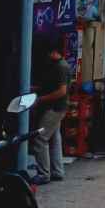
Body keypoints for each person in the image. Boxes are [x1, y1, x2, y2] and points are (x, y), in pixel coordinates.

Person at [31, 36, 71, 185]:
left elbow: (61, 91)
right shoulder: (57, 66)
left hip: (55, 108)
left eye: (48, 53)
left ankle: (44, 174)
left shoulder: (61, 67)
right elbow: (51, 86)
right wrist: (35, 89)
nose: (47, 56)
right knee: (54, 139)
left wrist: (40, 99)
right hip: (57, 107)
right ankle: (57, 171)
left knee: (40, 139)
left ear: (54, 52)